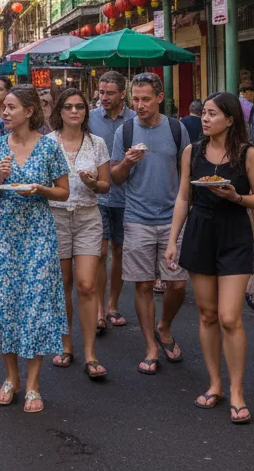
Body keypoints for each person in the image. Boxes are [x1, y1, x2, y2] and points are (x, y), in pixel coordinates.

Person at [167, 91, 254, 424]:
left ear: (230, 119)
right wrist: (172, 240)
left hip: (234, 234)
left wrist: (235, 196)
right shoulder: (191, 152)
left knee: (229, 317)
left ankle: (237, 391)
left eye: (211, 114)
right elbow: (183, 197)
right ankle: (215, 384)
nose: (204, 119)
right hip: (200, 231)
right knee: (208, 314)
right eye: (204, 113)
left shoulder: (247, 153)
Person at [0, 86, 70, 413]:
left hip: (37, 232)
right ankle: (10, 378)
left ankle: (33, 383)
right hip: (3, 233)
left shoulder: (48, 148)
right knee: (4, 304)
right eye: (3, 107)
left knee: (34, 305)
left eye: (11, 107)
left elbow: (63, 192)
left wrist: (40, 189)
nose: (4, 112)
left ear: (29, 111)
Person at [110, 72, 188, 376]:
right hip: (137, 218)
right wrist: (128, 162)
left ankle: (164, 326)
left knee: (178, 283)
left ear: (159, 98)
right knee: (142, 284)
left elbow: (186, 175)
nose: (139, 105)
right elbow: (116, 179)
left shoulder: (177, 129)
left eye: (145, 99)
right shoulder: (126, 131)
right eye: (135, 99)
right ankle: (151, 346)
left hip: (173, 220)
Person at [47, 87, 110, 380]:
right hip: (55, 217)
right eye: (69, 107)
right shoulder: (47, 144)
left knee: (86, 285)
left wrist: (92, 182)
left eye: (80, 107)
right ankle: (65, 344)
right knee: (64, 285)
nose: (75, 111)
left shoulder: (97, 143)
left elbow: (106, 185)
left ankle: (90, 353)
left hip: (87, 217)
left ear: (86, 112)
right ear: (59, 111)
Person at [88, 70, 135, 333]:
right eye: (101, 92)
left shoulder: (134, 119)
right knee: (100, 252)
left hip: (127, 196)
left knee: (119, 252)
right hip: (97, 194)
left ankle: (112, 304)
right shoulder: (91, 118)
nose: (104, 97)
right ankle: (97, 310)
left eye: (110, 93)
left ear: (122, 94)